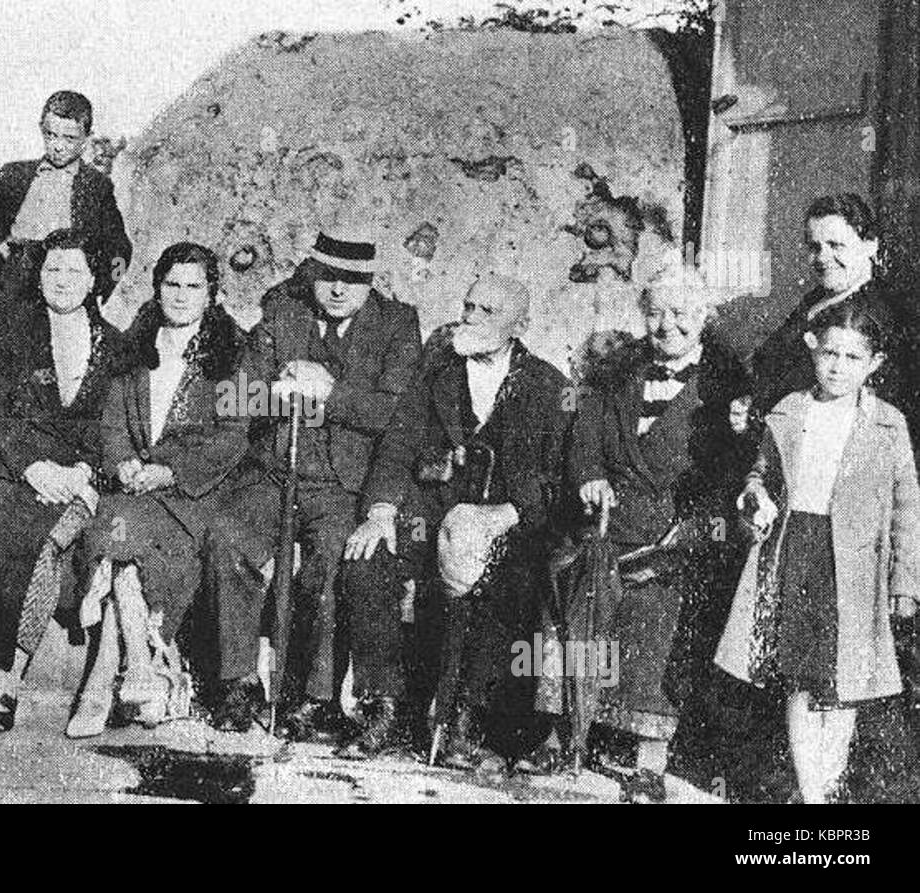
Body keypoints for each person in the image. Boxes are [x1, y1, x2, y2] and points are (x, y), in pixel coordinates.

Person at [337, 274, 570, 763]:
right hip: (427, 516)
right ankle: (385, 706)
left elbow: (558, 480)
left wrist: (504, 515)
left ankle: (465, 717)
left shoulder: (548, 387)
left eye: (488, 312)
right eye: (468, 307)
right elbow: (396, 448)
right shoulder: (436, 373)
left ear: (520, 325)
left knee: (507, 579)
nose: (471, 318)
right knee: (367, 559)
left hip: (506, 523)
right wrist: (381, 513)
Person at [208, 228, 423, 738]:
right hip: (274, 474)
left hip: (341, 485)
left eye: (353, 280)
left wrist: (329, 392)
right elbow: (233, 398)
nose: (338, 289)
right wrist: (278, 393)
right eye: (329, 276)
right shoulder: (284, 312)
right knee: (227, 537)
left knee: (330, 563)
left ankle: (315, 697)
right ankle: (239, 683)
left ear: (371, 283)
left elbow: (396, 413)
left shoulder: (397, 326)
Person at [0, 229, 132, 732]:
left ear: (94, 278)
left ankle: (7, 673)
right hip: (5, 465)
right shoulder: (11, 329)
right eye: (52, 270)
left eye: (74, 271)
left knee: (41, 546)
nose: (62, 281)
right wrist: (32, 468)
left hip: (77, 477)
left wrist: (81, 472)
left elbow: (115, 426)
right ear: (37, 277)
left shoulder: (115, 346)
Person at [717, 302, 920, 803]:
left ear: (873, 364)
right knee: (802, 678)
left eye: (852, 357)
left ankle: (828, 787)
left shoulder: (888, 424)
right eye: (829, 353)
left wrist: (905, 581)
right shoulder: (791, 410)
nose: (837, 367)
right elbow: (759, 473)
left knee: (845, 680)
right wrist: (754, 493)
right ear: (814, 351)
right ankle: (813, 797)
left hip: (855, 565)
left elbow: (905, 507)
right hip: (797, 550)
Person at [567, 265, 752, 802]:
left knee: (657, 625)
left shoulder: (725, 385)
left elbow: (729, 472)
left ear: (705, 318)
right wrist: (590, 475)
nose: (666, 325)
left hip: (674, 536)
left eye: (681, 314)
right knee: (577, 602)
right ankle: (576, 736)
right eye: (655, 314)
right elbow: (585, 435)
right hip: (610, 522)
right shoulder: (617, 372)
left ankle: (650, 762)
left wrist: (690, 530)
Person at [69, 242, 247, 737]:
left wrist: (169, 473)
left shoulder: (236, 353)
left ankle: (101, 685)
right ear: (158, 288)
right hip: (132, 492)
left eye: (195, 286)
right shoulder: (134, 344)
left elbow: (234, 437)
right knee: (117, 536)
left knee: (121, 546)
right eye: (173, 284)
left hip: (190, 496)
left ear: (213, 294)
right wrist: (122, 461)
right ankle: (136, 673)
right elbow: (110, 423)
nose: (182, 296)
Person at [0, 90, 132, 316]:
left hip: (63, 288)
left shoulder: (97, 186)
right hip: (11, 281)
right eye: (51, 135)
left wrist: (103, 286)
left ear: (87, 138)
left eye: (69, 138)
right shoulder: (15, 174)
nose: (58, 146)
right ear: (41, 128)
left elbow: (120, 247)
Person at [752, 194, 902, 414]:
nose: (823, 257)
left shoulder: (879, 313)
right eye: (815, 247)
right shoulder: (816, 299)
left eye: (835, 245)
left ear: (870, 246)